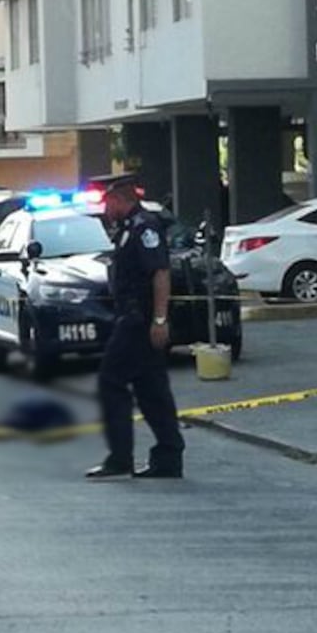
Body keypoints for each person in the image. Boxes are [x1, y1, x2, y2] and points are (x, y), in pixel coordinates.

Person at [86, 175, 186, 480]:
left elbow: (160, 273)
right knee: (151, 389)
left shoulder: (144, 227)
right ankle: (168, 457)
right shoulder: (128, 228)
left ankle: (120, 458)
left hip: (138, 321)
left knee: (110, 381)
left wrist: (159, 319)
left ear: (119, 198)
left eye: (107, 203)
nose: (105, 210)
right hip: (133, 319)